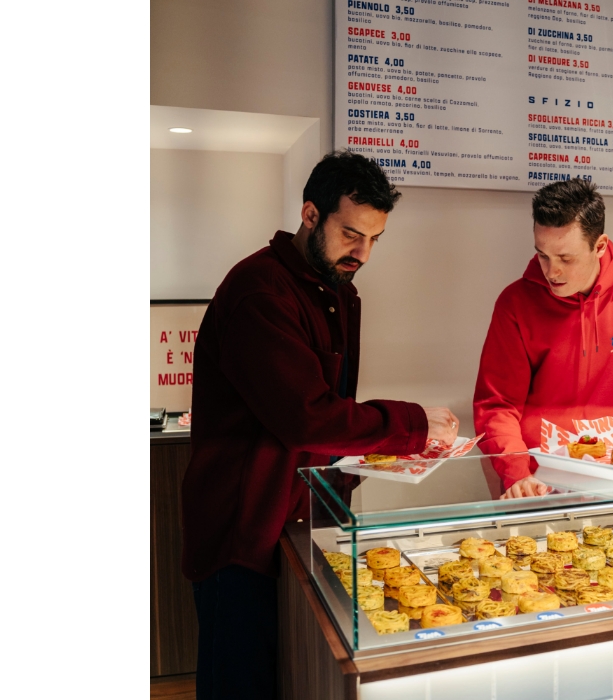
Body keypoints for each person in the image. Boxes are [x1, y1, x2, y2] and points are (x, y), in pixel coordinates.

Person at [181, 150, 459, 699]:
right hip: (243, 532)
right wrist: (410, 423)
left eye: (375, 238)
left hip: (297, 523)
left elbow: (326, 414)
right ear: (310, 214)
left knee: (291, 677)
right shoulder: (261, 291)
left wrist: (349, 468)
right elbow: (305, 417)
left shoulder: (333, 288)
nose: (363, 252)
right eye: (351, 234)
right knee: (238, 683)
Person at [473, 178, 613, 499]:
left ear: (599, 246)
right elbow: (497, 406)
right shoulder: (515, 302)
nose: (552, 272)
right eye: (543, 255)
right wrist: (516, 473)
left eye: (566, 258)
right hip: (538, 473)